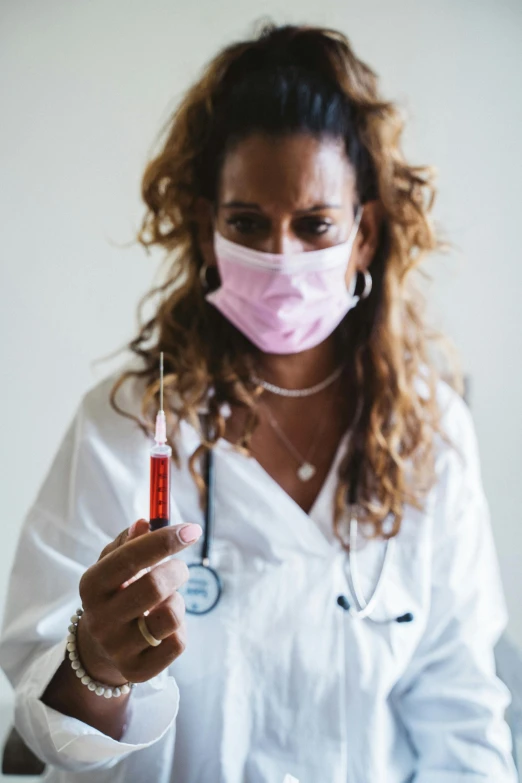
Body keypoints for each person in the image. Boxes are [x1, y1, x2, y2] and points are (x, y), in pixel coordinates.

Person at [0, 21, 517, 783]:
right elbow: (42, 729)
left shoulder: (430, 434)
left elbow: (461, 713)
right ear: (208, 228)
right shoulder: (126, 425)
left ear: (364, 234)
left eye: (315, 226)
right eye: (247, 224)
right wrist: (99, 658)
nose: (281, 259)